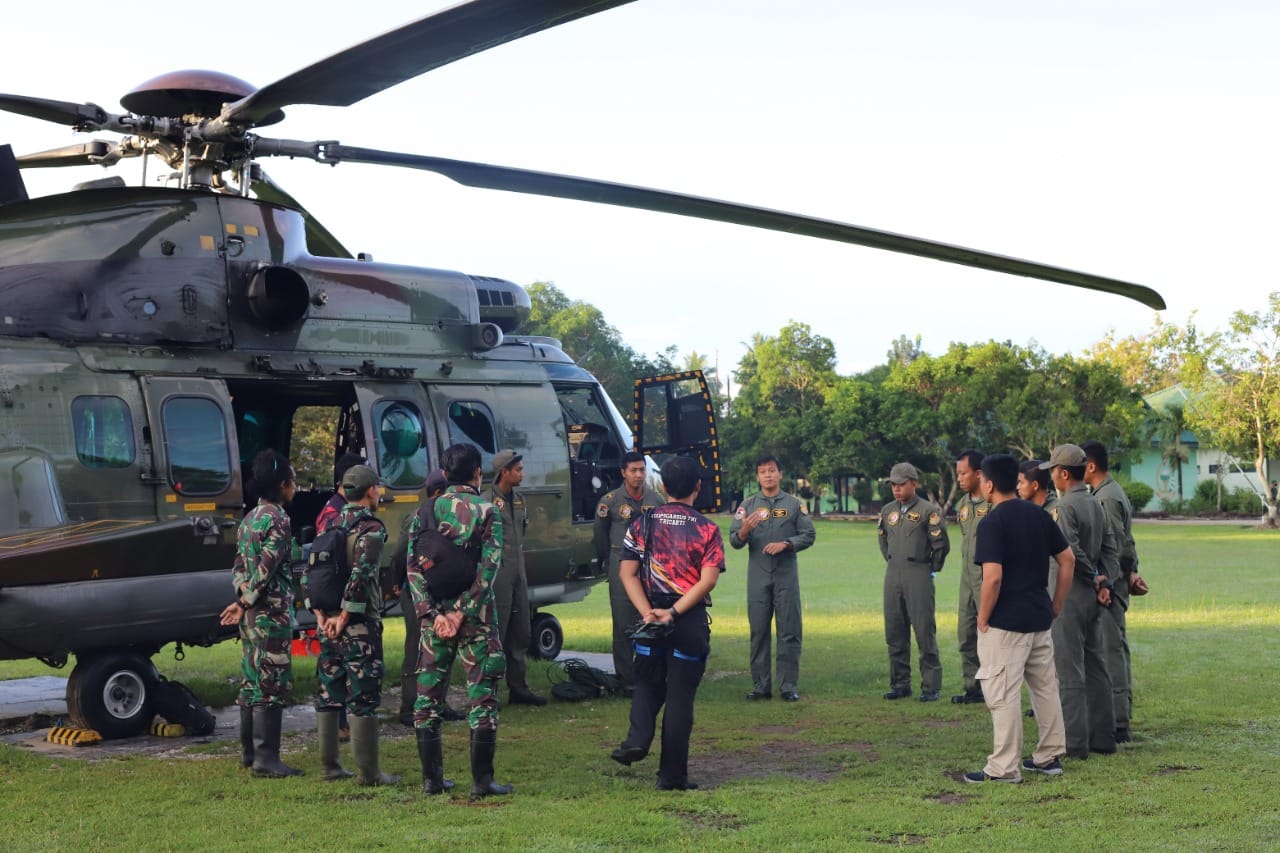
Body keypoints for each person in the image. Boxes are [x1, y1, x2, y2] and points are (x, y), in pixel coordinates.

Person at [609, 455, 725, 791]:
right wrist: (673, 613)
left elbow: (627, 574)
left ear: (661, 486)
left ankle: (637, 739)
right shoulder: (707, 529)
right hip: (688, 621)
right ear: (698, 486)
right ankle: (671, 776)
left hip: (650, 618)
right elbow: (708, 581)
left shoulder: (641, 523)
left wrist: (648, 612)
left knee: (647, 682)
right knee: (680, 695)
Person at [406, 443, 512, 798]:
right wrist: (461, 611)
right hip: (476, 620)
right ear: (478, 473)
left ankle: (432, 780)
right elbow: (489, 569)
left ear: (445, 474)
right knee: (482, 698)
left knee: (427, 700)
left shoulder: (425, 511)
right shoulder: (488, 511)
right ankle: (482, 782)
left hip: (433, 623)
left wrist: (433, 613)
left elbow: (413, 569)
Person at [963, 453, 1075, 783]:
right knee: (1045, 689)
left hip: (1006, 623)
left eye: (982, 479)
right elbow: (1068, 560)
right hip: (1039, 617)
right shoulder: (1039, 515)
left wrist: (983, 617)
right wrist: (1056, 604)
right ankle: (1048, 756)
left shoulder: (992, 522)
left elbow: (993, 578)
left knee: (1002, 694)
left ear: (989, 484)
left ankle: (1003, 768)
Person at [305, 464, 400, 785]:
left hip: (327, 623)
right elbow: (362, 574)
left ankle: (330, 767)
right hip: (358, 624)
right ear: (371, 490)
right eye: (378, 487)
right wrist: (345, 617)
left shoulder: (328, 523)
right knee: (364, 695)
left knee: (329, 692)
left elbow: (311, 572)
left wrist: (322, 617)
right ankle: (369, 773)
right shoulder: (371, 528)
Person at [219, 449, 303, 778]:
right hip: (272, 614)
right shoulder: (279, 520)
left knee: (251, 679)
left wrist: (242, 597)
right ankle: (267, 760)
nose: (296, 486)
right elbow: (267, 569)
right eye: (293, 480)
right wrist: (245, 602)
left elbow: (238, 566)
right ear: (282, 484)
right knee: (272, 682)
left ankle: (249, 753)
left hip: (252, 618)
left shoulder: (249, 519)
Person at [1040, 444, 1118, 759]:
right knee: (1096, 665)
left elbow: (1070, 551)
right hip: (1092, 595)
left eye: (1052, 471)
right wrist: (1105, 581)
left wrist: (1095, 577)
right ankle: (1104, 737)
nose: (1051, 476)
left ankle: (1073, 742)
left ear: (1062, 473)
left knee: (1068, 668)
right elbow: (1110, 548)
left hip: (1070, 593)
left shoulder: (1063, 507)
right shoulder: (1095, 503)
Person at [729, 454, 815, 702]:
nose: (767, 475)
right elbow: (734, 540)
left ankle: (788, 686)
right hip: (758, 577)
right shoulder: (748, 505)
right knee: (759, 632)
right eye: (763, 471)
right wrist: (744, 531)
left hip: (785, 577)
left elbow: (808, 534)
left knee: (789, 630)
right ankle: (761, 686)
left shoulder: (794, 505)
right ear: (757, 477)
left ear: (780, 474)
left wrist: (787, 544)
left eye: (771, 470)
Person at [1081, 439, 1143, 743]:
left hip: (1110, 582)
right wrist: (1132, 571)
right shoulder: (1109, 492)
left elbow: (1117, 546)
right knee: (1114, 645)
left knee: (1110, 649)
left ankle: (1118, 719)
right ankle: (1119, 713)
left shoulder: (1105, 498)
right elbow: (1127, 543)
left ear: (1091, 466)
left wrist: (1106, 580)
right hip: (1117, 578)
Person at [877, 462, 950, 701]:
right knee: (894, 631)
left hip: (918, 571)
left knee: (924, 630)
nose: (896, 489)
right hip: (893, 572)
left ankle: (931, 686)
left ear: (914, 484)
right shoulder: (887, 510)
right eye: (893, 485)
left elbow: (941, 545)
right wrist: (893, 560)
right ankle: (900, 684)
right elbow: (883, 540)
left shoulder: (928, 511)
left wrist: (930, 568)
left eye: (901, 484)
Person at [393, 469, 460, 725]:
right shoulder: (418, 516)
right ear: (438, 493)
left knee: (444, 646)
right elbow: (400, 554)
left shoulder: (448, 515)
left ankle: (439, 702)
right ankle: (409, 707)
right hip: (416, 591)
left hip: (440, 590)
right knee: (416, 649)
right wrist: (396, 583)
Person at [594, 451, 663, 695]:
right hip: (620, 563)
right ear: (623, 472)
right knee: (623, 622)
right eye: (633, 470)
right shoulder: (610, 501)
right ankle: (627, 680)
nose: (638, 475)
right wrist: (610, 560)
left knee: (650, 619)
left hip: (649, 565)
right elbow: (600, 536)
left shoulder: (656, 500)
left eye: (642, 470)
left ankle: (650, 675)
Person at [485, 449, 546, 706]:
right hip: (497, 572)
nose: (522, 474)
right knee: (495, 631)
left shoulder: (519, 500)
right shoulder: (485, 501)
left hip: (518, 572)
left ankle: (518, 688)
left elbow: (521, 533)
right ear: (504, 472)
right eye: (518, 470)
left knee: (521, 631)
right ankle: (487, 691)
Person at [314, 450, 366, 743]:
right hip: (339, 600)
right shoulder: (336, 515)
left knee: (335, 664)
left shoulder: (334, 509)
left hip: (336, 600)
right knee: (339, 665)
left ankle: (338, 725)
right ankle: (341, 724)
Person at [952, 449, 989, 705]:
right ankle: (972, 688)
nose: (959, 479)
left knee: (990, 637)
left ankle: (993, 687)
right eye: (957, 474)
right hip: (966, 580)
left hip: (987, 579)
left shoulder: (993, 504)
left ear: (978, 474)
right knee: (966, 635)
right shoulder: (963, 505)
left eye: (963, 473)